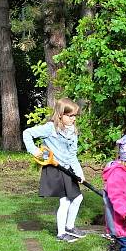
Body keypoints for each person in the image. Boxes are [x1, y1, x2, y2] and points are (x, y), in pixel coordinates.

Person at [23, 98, 87, 243]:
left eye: (74, 116)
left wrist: (79, 173)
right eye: (69, 116)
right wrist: (34, 151)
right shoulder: (50, 128)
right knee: (64, 201)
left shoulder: (72, 132)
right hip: (54, 168)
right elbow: (27, 133)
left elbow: (72, 155)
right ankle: (61, 233)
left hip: (67, 168)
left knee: (78, 198)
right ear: (60, 115)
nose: (73, 119)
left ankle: (70, 227)